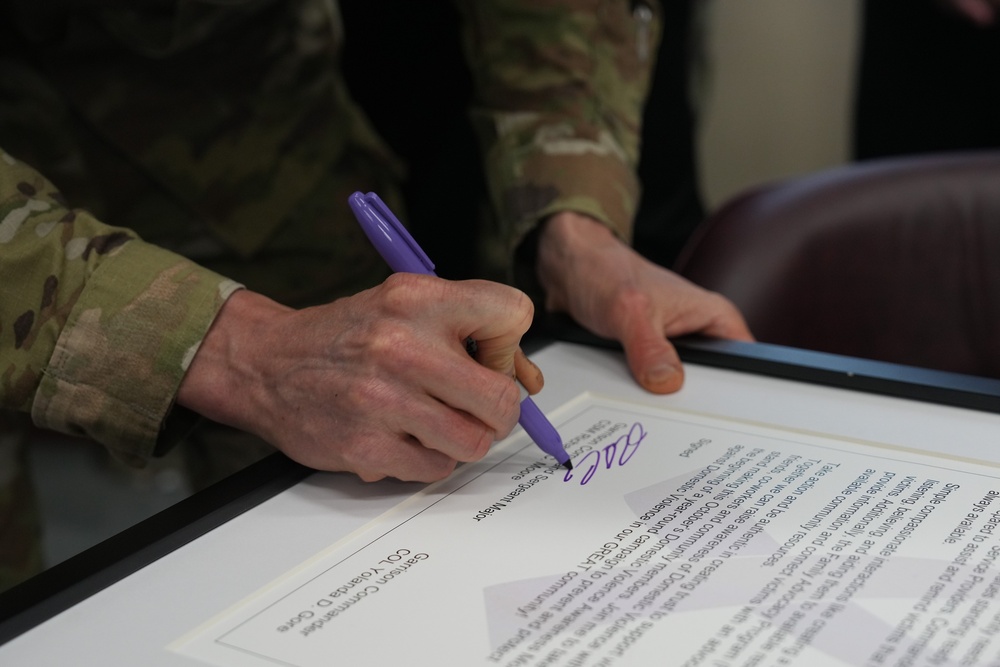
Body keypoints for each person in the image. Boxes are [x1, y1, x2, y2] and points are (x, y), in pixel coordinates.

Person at [0, 0, 750, 588]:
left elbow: (552, 13)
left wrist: (575, 225)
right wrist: (243, 352)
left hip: (218, 82)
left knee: (364, 452)